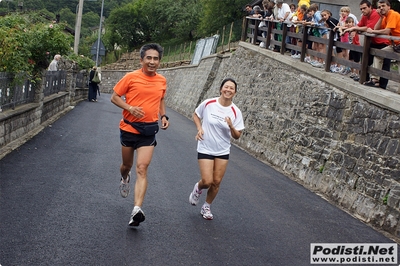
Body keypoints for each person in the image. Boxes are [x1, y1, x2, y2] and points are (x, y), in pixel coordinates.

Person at [110, 43, 169, 227]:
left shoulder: (162, 81)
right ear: (142, 60)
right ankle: (124, 178)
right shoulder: (131, 77)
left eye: (156, 58)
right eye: (149, 58)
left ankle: (136, 209)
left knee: (142, 168)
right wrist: (129, 108)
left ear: (159, 61)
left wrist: (163, 115)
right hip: (129, 128)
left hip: (149, 130)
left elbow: (160, 99)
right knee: (126, 166)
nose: (152, 62)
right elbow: (114, 97)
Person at [189, 78, 245, 220]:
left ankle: (206, 206)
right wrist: (199, 128)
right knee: (207, 181)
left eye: (232, 88)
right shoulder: (209, 103)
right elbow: (196, 115)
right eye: (226, 87)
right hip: (206, 146)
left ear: (235, 92)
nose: (228, 90)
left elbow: (237, 135)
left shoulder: (235, 111)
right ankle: (198, 188)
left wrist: (231, 125)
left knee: (216, 182)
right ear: (221, 89)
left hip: (222, 150)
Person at [343, 0, 390, 88]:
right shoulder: (365, 16)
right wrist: (354, 29)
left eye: (364, 8)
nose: (362, 10)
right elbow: (360, 25)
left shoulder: (375, 14)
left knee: (384, 64)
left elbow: (370, 28)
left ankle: (382, 85)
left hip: (383, 42)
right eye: (361, 9)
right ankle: (365, 78)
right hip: (373, 42)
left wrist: (354, 28)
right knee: (366, 60)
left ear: (370, 7)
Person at [366, 0, 400, 90]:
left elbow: (386, 31)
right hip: (395, 45)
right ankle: (375, 80)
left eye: (383, 6)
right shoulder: (385, 17)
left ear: (389, 6)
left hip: (398, 43)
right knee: (379, 54)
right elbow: (376, 28)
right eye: (379, 7)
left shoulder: (393, 14)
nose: (381, 8)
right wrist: (380, 17)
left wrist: (372, 31)